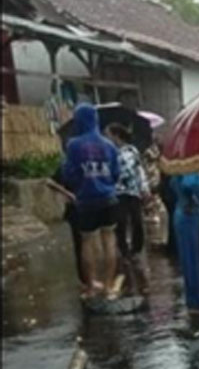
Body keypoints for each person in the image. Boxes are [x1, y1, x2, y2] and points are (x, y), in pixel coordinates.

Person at [60, 103, 121, 299]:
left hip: (86, 201)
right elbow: (116, 173)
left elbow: (69, 174)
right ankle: (110, 286)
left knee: (87, 241)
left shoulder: (73, 145)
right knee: (109, 239)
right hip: (108, 198)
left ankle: (93, 285)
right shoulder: (110, 145)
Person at [104, 124, 149, 261]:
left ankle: (137, 248)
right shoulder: (109, 153)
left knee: (137, 220)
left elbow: (139, 169)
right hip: (118, 192)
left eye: (109, 135)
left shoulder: (132, 151)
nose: (107, 138)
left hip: (133, 190)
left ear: (116, 135)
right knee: (121, 221)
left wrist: (144, 187)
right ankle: (124, 250)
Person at [171, 172, 199, 319]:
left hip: (184, 212)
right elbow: (190, 184)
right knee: (195, 260)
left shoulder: (180, 165)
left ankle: (194, 300)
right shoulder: (191, 168)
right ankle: (198, 301)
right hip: (191, 215)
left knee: (190, 260)